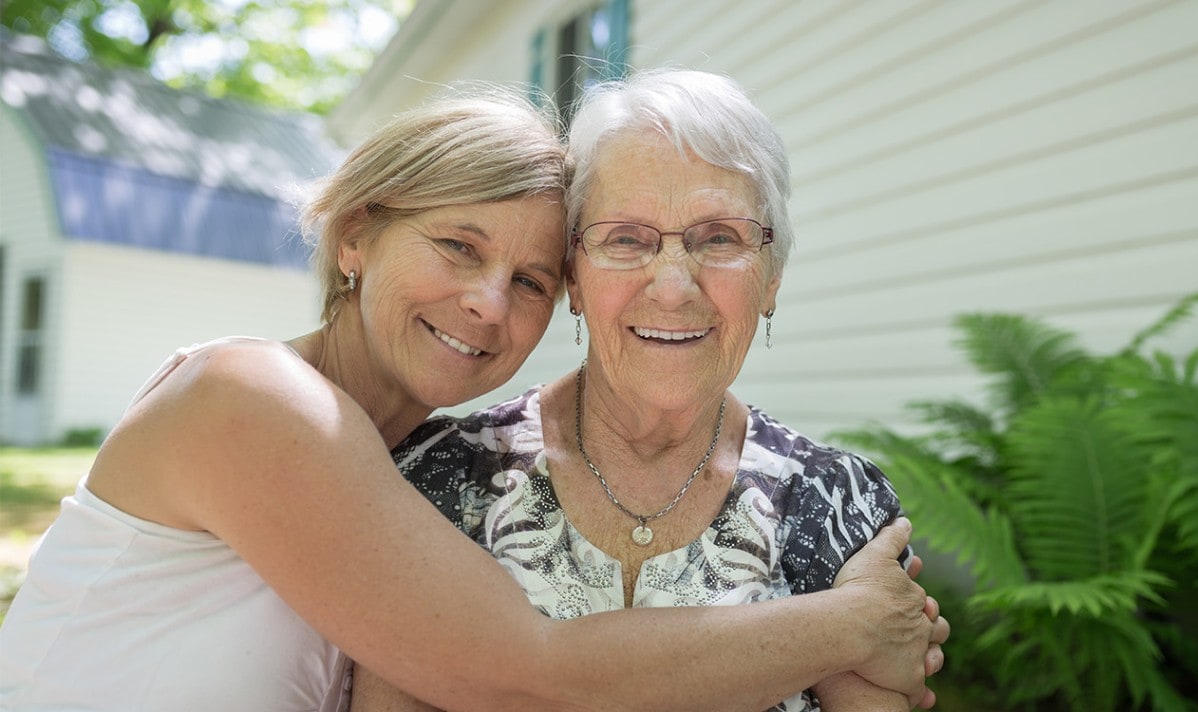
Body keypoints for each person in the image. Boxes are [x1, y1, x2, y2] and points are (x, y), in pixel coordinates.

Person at [0, 84, 942, 711]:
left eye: (529, 279)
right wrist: (853, 624)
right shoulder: (254, 400)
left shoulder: (392, 462)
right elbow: (529, 674)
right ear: (357, 235)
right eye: (458, 248)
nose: (489, 304)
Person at [361, 70, 950, 711]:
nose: (673, 287)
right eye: (626, 239)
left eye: (720, 238)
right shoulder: (437, 477)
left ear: (772, 276)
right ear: (575, 278)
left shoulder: (838, 504)